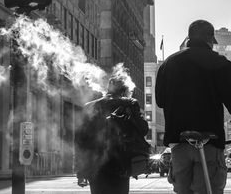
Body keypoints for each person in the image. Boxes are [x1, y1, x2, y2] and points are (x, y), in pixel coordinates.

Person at [156, 19, 231, 194]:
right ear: (210, 38)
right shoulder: (220, 63)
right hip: (209, 142)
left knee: (182, 190)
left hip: (179, 142)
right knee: (208, 189)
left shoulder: (168, 64)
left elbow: (160, 100)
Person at [75, 64, 148, 194]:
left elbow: (80, 140)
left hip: (95, 166)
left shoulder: (90, 106)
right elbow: (143, 130)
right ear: (125, 89)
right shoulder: (130, 104)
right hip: (121, 165)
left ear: (108, 87)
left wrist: (80, 170)